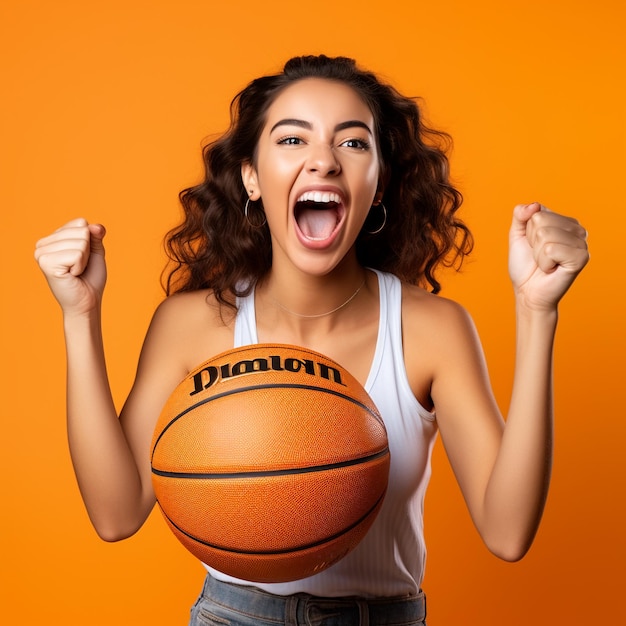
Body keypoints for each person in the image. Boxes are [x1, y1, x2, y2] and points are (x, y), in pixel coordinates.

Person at [34, 55, 589, 625]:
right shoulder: (193, 324)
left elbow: (508, 532)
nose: (323, 160)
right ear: (251, 175)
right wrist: (80, 315)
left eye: (352, 144)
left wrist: (537, 310)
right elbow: (116, 514)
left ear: (379, 185)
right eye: (293, 139)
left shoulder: (431, 329)